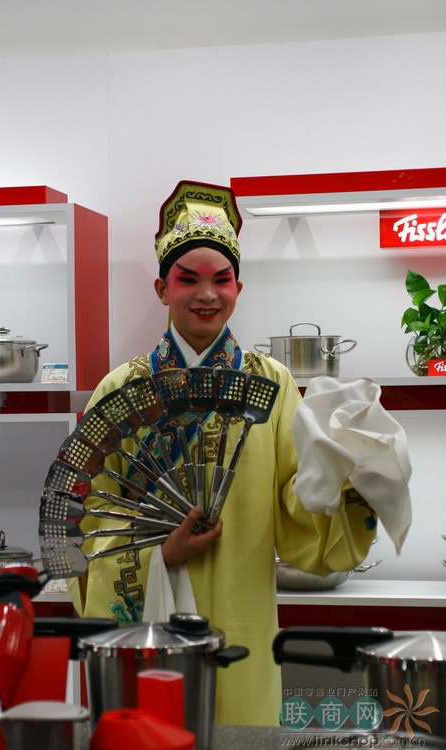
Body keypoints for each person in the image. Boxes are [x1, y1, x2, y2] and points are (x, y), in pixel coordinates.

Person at [67, 180, 376, 726]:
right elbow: (84, 523)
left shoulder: (273, 384)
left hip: (242, 622)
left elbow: (297, 507)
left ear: (239, 287)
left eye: (222, 279)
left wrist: (348, 481)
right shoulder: (120, 390)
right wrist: (160, 556)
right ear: (162, 288)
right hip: (146, 629)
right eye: (188, 279)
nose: (207, 295)